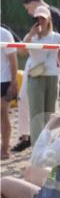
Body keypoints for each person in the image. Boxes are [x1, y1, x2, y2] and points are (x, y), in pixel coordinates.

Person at [21, 6, 60, 144]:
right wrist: (31, 35)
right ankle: (37, 146)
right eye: (38, 18)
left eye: (42, 18)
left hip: (52, 77)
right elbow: (21, 52)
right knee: (36, 114)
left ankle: (47, 142)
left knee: (49, 114)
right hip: (36, 78)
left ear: (49, 18)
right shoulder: (31, 37)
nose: (40, 21)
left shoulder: (56, 37)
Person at [1, 26, 19, 160]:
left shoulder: (5, 34)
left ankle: (5, 148)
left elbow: (13, 59)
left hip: (4, 79)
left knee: (3, 114)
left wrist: (14, 82)